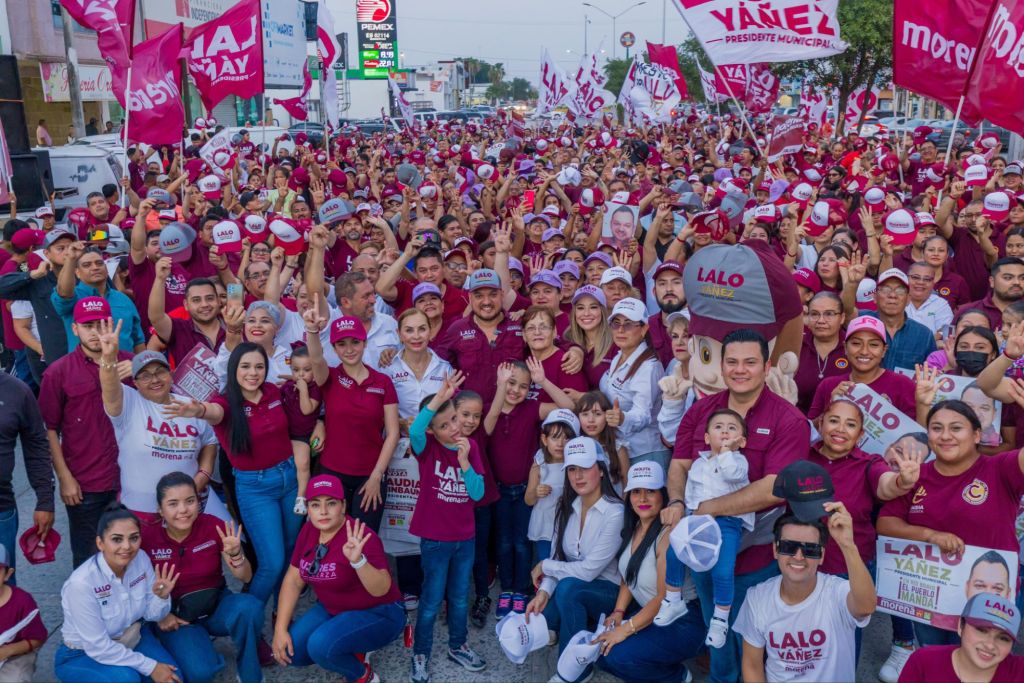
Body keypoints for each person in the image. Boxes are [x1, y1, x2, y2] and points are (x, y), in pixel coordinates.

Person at [665, 329, 811, 683]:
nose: (739, 370)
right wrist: (676, 500)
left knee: (753, 641)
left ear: (767, 366)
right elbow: (679, 463)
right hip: (702, 547)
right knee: (717, 639)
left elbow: (775, 487)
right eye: (731, 361)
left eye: (750, 362)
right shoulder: (701, 411)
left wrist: (711, 507)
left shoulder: (788, 419)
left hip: (756, 554)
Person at [162, 343, 303, 606]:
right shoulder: (224, 403)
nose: (253, 373)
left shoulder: (273, 392)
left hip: (290, 479)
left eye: (259, 366)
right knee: (271, 563)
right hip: (256, 488)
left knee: (290, 551)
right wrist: (197, 410)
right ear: (233, 370)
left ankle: (281, 613)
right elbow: (212, 411)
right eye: (245, 366)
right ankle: (249, 616)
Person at [877, 399, 1024, 647]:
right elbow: (885, 523)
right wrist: (930, 534)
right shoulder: (917, 474)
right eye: (936, 428)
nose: (945, 436)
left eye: (956, 428)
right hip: (932, 597)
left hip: (989, 599)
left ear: (977, 435)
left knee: (982, 664)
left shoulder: (1000, 468)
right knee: (935, 660)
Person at [272, 475, 403, 683]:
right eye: (315, 505)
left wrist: (358, 561)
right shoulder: (309, 530)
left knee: (320, 646)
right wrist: (280, 629)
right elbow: (293, 580)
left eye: (331, 503)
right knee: (292, 651)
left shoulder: (360, 535)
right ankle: (351, 645)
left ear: (343, 506)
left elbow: (382, 589)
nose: (323, 511)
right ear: (308, 508)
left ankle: (364, 676)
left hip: (379, 612)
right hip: (334, 608)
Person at [141, 473, 265, 683]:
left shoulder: (213, 526)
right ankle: (195, 646)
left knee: (249, 607)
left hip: (215, 607)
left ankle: (250, 673)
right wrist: (161, 616)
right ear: (160, 510)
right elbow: (132, 585)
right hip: (177, 619)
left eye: (190, 501)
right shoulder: (147, 538)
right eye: (173, 504)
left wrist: (236, 554)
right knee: (200, 673)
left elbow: (245, 576)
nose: (183, 510)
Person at [38, 299, 131, 567]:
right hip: (85, 482)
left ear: (111, 325)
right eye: (88, 325)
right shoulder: (59, 372)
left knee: (133, 553)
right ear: (75, 329)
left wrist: (140, 369)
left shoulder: (130, 364)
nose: (96, 332)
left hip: (131, 479)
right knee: (89, 559)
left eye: (102, 324)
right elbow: (49, 430)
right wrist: (64, 477)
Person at [734, 506, 876, 683]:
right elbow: (752, 664)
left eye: (810, 550)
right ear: (775, 550)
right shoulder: (757, 597)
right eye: (788, 547)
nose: (799, 556)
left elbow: (866, 606)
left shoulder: (837, 592)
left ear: (821, 556)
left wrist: (848, 544)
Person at [407, 373, 487, 682]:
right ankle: (421, 654)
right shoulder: (425, 447)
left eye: (454, 419)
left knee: (458, 597)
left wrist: (465, 461)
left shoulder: (471, 448)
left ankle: (458, 645)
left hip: (464, 538)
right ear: (432, 431)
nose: (454, 428)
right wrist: (438, 399)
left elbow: (477, 493)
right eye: (444, 425)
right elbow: (415, 428)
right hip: (435, 540)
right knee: (430, 601)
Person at [525, 436, 624, 682]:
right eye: (572, 469)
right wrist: (544, 592)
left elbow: (588, 571)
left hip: (609, 593)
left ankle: (574, 670)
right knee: (540, 619)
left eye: (585, 467)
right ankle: (563, 624)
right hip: (574, 585)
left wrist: (545, 566)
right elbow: (558, 556)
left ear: (601, 470)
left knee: (570, 589)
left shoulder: (615, 512)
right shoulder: (566, 505)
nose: (578, 476)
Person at [595, 461, 705, 683]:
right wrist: (618, 612)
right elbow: (629, 575)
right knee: (601, 652)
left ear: (662, 495)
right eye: (636, 492)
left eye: (650, 491)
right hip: (653, 617)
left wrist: (626, 629)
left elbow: (664, 597)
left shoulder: (667, 536)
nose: (642, 498)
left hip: (683, 621)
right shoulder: (635, 526)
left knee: (619, 656)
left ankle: (677, 677)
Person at [97, 323, 217, 522]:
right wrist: (109, 358)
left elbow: (210, 441)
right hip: (140, 511)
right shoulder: (129, 403)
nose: (154, 379)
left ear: (170, 373)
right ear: (134, 383)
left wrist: (203, 475)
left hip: (186, 511)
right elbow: (109, 386)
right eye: (145, 375)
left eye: (160, 372)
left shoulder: (190, 405)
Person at [656, 409, 754, 647]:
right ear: (707, 437)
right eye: (718, 427)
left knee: (722, 570)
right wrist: (686, 516)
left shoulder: (738, 460)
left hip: (728, 520)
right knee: (674, 552)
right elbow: (691, 492)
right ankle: (673, 599)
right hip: (697, 518)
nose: (725, 431)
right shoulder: (699, 463)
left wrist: (725, 452)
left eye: (732, 428)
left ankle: (720, 619)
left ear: (742, 441)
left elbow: (732, 475)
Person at [486, 360, 576, 616]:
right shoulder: (489, 409)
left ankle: (522, 589)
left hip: (527, 488)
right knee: (503, 541)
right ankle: (507, 588)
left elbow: (569, 407)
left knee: (523, 541)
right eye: (510, 383)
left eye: (523, 386)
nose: (515, 390)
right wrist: (501, 389)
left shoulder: (531, 409)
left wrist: (543, 381)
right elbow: (487, 427)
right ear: (500, 381)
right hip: (500, 491)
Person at [54, 503, 182, 683]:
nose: (127, 547)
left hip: (132, 637)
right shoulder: (80, 584)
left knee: (174, 678)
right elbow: (98, 647)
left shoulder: (141, 558)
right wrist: (150, 666)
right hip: (82, 653)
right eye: (117, 539)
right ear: (100, 543)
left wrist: (161, 597)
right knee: (127, 680)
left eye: (134, 538)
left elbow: (151, 615)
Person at [303, 304, 400, 532]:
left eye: (355, 342)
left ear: (364, 343)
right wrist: (313, 331)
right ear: (334, 349)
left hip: (369, 477)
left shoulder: (382, 382)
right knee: (330, 539)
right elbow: (316, 360)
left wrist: (377, 476)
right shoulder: (331, 377)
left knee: (364, 542)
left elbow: (393, 433)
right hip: (331, 473)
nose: (349, 349)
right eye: (341, 344)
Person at [807, 315, 919, 420]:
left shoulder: (903, 385)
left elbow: (918, 436)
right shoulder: (828, 386)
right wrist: (831, 406)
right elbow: (811, 433)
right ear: (845, 347)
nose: (864, 351)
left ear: (884, 350)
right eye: (856, 343)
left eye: (873, 345)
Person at [898, 592, 1024, 682]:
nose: (990, 645)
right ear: (960, 626)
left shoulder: (1019, 671)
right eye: (981, 630)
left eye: (1003, 638)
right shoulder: (923, 662)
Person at [600, 298, 666, 469]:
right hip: (625, 451)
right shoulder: (619, 357)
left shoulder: (649, 367)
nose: (621, 330)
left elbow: (643, 414)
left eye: (628, 324)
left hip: (645, 454)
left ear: (644, 329)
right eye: (616, 323)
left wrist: (622, 418)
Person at [0, 372, 53, 579]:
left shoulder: (17, 391)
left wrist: (45, 501)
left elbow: (37, 447)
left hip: (1, 510)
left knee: (2, 592)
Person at [794, 292, 847, 413]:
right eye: (814, 314)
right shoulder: (796, 345)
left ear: (842, 318)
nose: (821, 320)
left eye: (829, 314)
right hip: (797, 423)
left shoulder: (853, 347)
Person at [0, 545, 46, 681]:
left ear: (8, 574)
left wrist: (8, 650)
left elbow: (37, 639)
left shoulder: (22, 601)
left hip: (15, 655)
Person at [956, 257, 1024, 330]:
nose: (1017, 282)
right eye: (1008, 278)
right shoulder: (967, 310)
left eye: (1022, 278)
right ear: (992, 281)